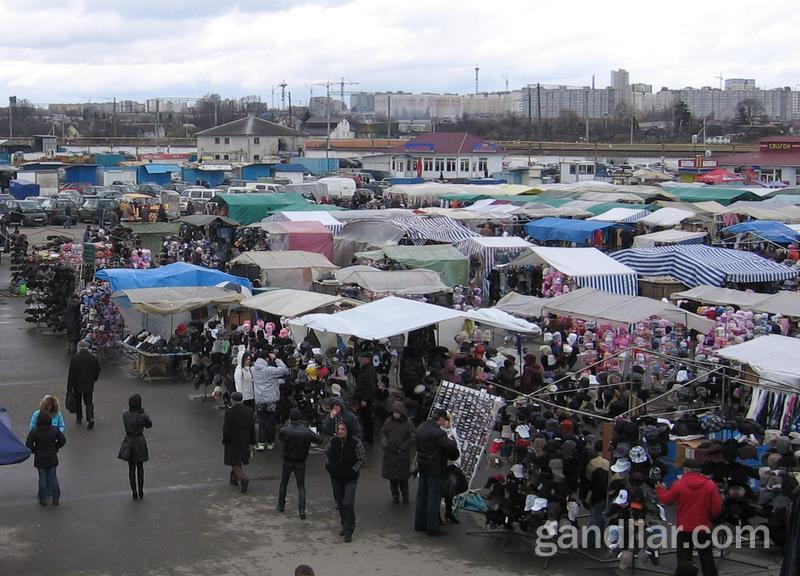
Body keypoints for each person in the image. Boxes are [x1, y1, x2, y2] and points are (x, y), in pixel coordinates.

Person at [657, 458, 722, 576]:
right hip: (703, 527)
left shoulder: (679, 484)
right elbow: (717, 508)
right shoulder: (710, 485)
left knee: (684, 558)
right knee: (706, 556)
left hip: (685, 529)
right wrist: (710, 518)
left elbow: (666, 499)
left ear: (686, 470)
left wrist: (660, 490)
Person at [414, 408, 460, 536]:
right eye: (444, 419)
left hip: (423, 466)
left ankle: (419, 523)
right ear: (439, 418)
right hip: (435, 469)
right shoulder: (438, 433)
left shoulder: (421, 427)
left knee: (421, 496)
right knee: (433, 498)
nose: (444, 422)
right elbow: (451, 447)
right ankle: (432, 527)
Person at [324, 421, 366, 542]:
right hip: (336, 477)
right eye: (339, 429)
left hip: (350, 479)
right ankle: (344, 525)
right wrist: (329, 466)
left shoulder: (355, 443)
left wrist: (353, 471)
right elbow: (326, 454)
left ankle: (349, 529)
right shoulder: (333, 441)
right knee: (340, 503)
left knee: (348, 502)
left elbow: (362, 459)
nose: (340, 431)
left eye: (343, 429)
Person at [277, 408, 322, 519]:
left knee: (284, 483)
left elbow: (281, 438)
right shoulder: (306, 431)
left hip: (287, 460)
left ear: (290, 418)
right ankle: (302, 510)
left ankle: (281, 506)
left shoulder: (285, 430)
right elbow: (319, 440)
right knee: (301, 486)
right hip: (301, 461)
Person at [25, 412, 66, 506]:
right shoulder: (54, 430)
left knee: (42, 479)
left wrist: (35, 451)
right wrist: (56, 447)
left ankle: (43, 499)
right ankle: (56, 499)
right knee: (53, 478)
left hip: (40, 458)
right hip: (52, 456)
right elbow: (63, 440)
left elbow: (28, 444)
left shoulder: (35, 431)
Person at [251, 351, 288, 450]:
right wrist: (276, 359)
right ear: (267, 359)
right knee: (271, 421)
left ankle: (261, 443)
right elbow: (285, 370)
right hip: (271, 399)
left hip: (259, 399)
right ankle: (270, 443)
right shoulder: (270, 370)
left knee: (262, 421)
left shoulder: (252, 369)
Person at [380, 401, 415, 504]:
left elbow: (412, 437)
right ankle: (395, 495)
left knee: (403, 478)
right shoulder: (388, 421)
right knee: (392, 478)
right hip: (390, 454)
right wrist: (384, 443)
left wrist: (403, 447)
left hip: (401, 455)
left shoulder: (408, 423)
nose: (396, 414)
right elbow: (383, 433)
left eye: (397, 412)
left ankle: (405, 496)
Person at [120, 394, 153, 500]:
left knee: (131, 468)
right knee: (140, 467)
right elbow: (149, 425)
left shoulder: (125, 415)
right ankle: (140, 490)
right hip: (139, 441)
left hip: (129, 441)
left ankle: (133, 491)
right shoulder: (142, 415)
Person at [223, 391, 256, 493]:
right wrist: (252, 441)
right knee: (238, 460)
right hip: (244, 440)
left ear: (232, 400)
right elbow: (252, 428)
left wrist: (225, 440)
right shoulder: (249, 411)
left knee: (234, 462)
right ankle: (233, 480)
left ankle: (243, 478)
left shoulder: (230, 412)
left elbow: (226, 429)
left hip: (233, 441)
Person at [67, 340, 101, 428]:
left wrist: (69, 386)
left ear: (80, 348)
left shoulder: (75, 358)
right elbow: (97, 370)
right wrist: (94, 379)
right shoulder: (93, 358)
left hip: (77, 384)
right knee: (89, 402)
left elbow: (71, 374)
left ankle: (79, 418)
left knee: (78, 401)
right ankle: (91, 418)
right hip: (89, 383)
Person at [352, 351, 378, 443]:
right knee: (363, 418)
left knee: (367, 418)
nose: (360, 359)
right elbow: (358, 376)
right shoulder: (364, 369)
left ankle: (368, 437)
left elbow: (370, 386)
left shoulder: (370, 371)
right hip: (361, 397)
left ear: (367, 360)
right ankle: (366, 435)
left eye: (362, 358)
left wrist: (365, 399)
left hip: (365, 399)